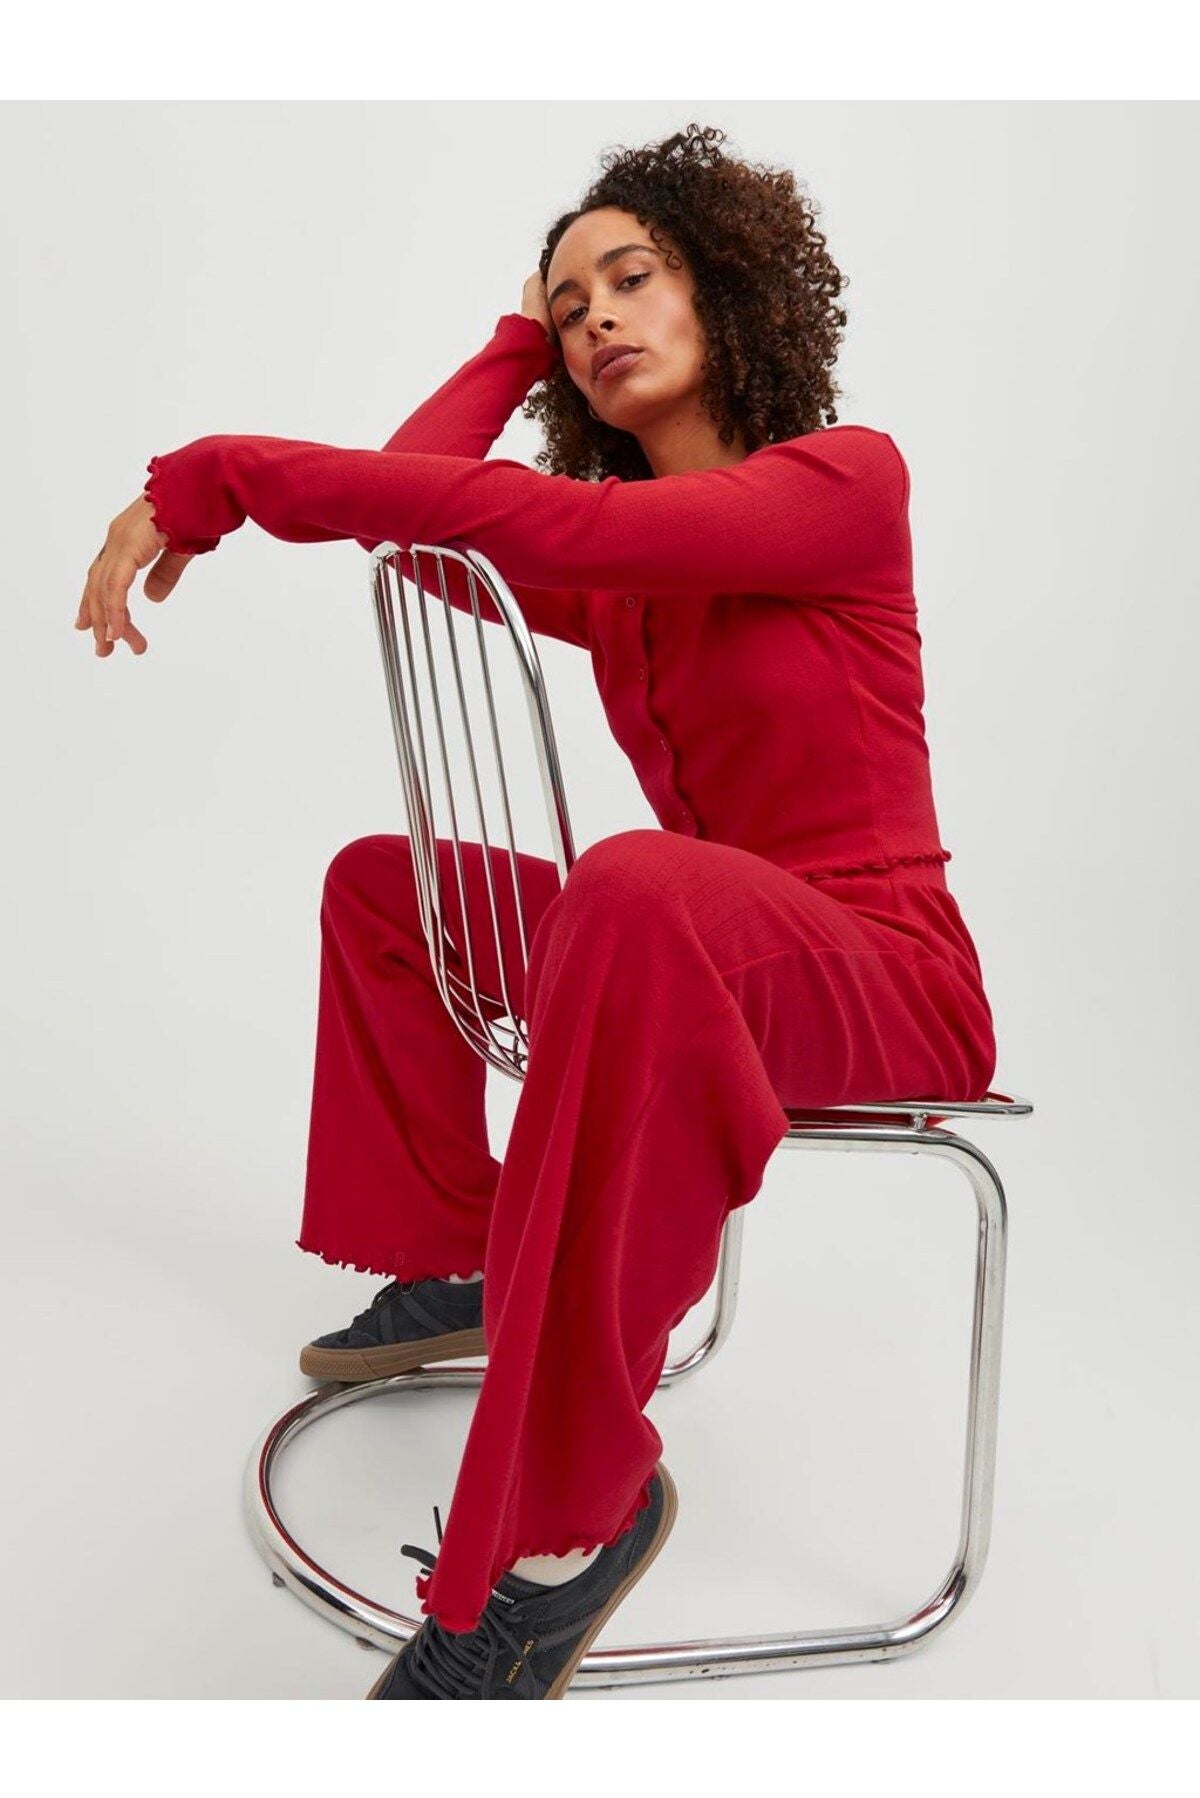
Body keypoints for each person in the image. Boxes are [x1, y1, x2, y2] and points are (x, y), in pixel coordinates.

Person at [75, 122, 998, 1700]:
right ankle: (479, 1263)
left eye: (631, 278)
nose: (598, 320)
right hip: (699, 950)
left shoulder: (844, 482)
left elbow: (557, 526)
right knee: (391, 886)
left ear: (728, 292)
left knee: (633, 885)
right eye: (572, 310)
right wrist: (510, 344)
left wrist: (223, 472)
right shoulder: (628, 577)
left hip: (886, 977)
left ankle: (571, 1528)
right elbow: (422, 519)